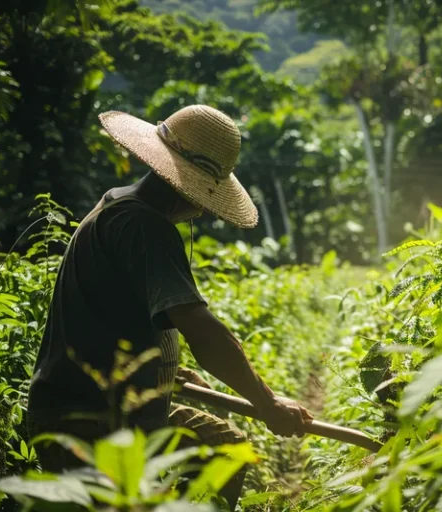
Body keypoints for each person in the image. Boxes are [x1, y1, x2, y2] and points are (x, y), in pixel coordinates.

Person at [26, 105, 313, 509]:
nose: (203, 209)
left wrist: (171, 371)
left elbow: (114, 316)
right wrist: (268, 404)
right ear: (189, 187)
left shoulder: (118, 205)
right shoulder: (144, 226)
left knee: (225, 449)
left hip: (126, 409)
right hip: (88, 420)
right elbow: (200, 328)